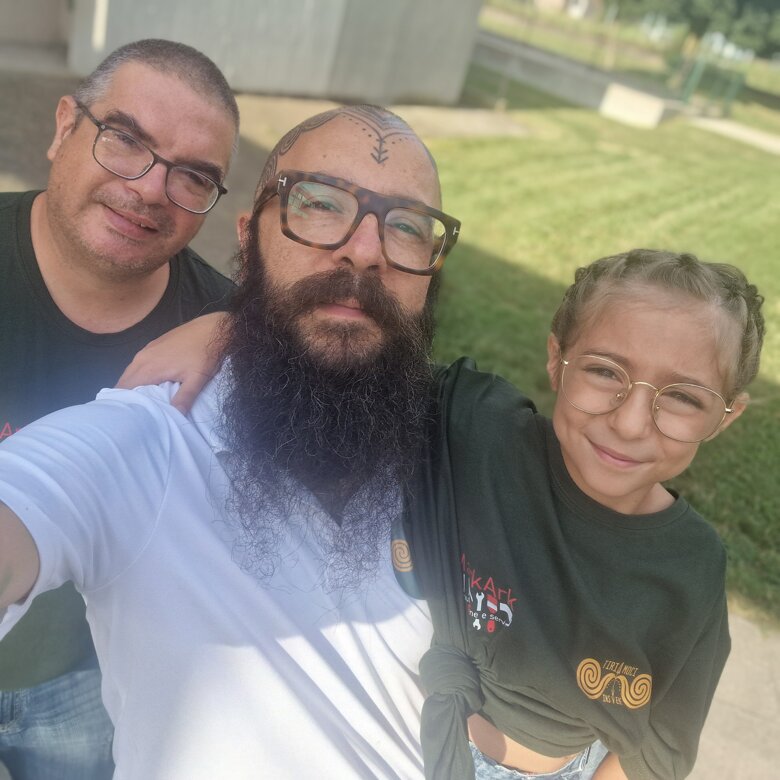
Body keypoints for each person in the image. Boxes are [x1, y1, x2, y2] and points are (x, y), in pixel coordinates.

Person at [0, 104, 461, 778]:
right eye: (320, 204)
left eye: (408, 227)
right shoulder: (149, 442)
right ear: (249, 241)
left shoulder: (465, 452)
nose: (366, 250)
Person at [405, 249, 764, 779]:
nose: (630, 423)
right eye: (603, 370)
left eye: (685, 398)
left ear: (724, 417)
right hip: (398, 725)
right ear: (557, 360)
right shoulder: (478, 429)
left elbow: (659, 751)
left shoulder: (692, 567)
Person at [0, 38, 238, 779]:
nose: (151, 188)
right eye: (126, 139)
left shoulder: (226, 336)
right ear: (64, 126)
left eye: (193, 175)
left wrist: (250, 327)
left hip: (87, 680)